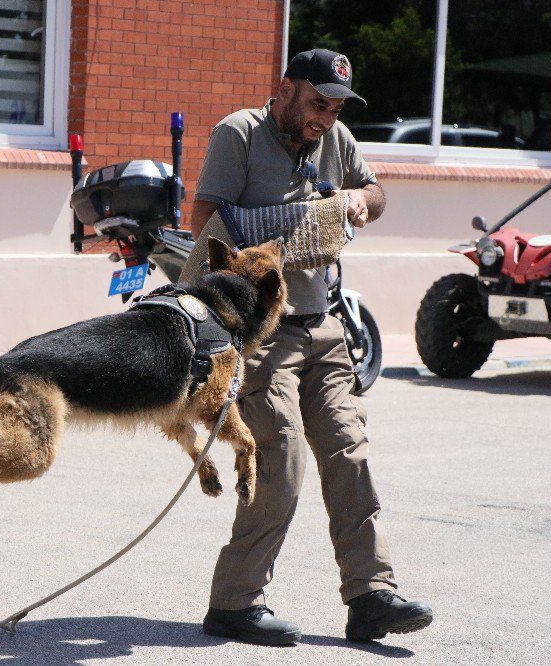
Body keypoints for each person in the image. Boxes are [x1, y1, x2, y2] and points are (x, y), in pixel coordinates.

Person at [180, 48, 434, 646]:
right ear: (286, 88)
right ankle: (235, 604)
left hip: (324, 327)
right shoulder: (238, 134)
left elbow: (376, 193)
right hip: (264, 335)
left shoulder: (337, 139)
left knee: (351, 458)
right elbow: (206, 223)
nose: (328, 116)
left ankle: (371, 596)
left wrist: (355, 203)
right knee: (281, 463)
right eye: (319, 102)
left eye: (338, 105)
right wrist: (306, 221)